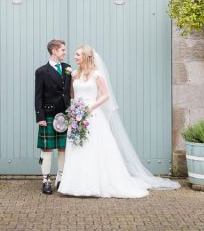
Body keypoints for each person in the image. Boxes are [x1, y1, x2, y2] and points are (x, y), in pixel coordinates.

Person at [58, 45, 180, 198]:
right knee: (77, 147)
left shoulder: (97, 75)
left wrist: (90, 107)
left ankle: (95, 184)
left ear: (86, 57)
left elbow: (106, 95)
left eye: (78, 55)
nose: (74, 57)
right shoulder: (74, 74)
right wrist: (75, 108)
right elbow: (72, 93)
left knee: (94, 148)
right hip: (77, 115)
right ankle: (74, 185)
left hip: (92, 115)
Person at [34, 39, 72, 195]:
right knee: (47, 148)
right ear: (54, 51)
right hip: (48, 114)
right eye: (62, 49)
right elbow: (38, 96)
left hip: (65, 113)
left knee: (63, 148)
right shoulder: (41, 71)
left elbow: (70, 91)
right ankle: (45, 181)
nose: (65, 52)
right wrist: (40, 116)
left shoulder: (67, 68)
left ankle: (61, 179)